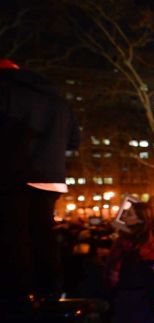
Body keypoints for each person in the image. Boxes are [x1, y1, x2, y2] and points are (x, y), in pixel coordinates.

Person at [0, 59, 81, 303]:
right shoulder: (57, 99)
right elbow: (74, 141)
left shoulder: (5, 91)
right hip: (50, 176)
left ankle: (19, 293)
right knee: (43, 232)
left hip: (14, 173)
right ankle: (50, 289)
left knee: (15, 233)